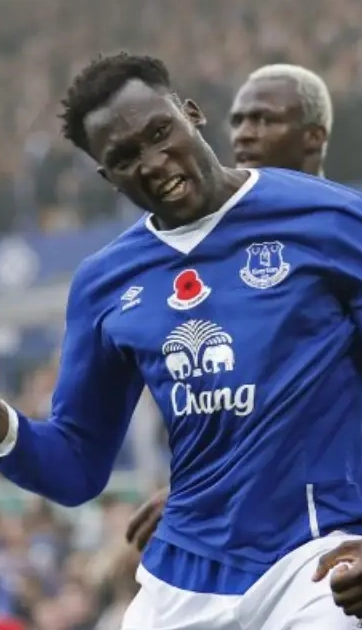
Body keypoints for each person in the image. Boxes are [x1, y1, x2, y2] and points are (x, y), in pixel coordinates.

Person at [0, 52, 362, 628]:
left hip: (319, 558)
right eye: (124, 158)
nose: (153, 162)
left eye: (160, 133)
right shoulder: (105, 282)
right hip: (181, 575)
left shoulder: (333, 218)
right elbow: (77, 466)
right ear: (107, 177)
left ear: (191, 114)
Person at [126, 63, 334, 552]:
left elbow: (316, 396)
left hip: (331, 525)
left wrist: (204, 492)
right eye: (238, 120)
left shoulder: (344, 234)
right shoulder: (218, 250)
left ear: (314, 136)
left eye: (264, 119)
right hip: (241, 533)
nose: (244, 133)